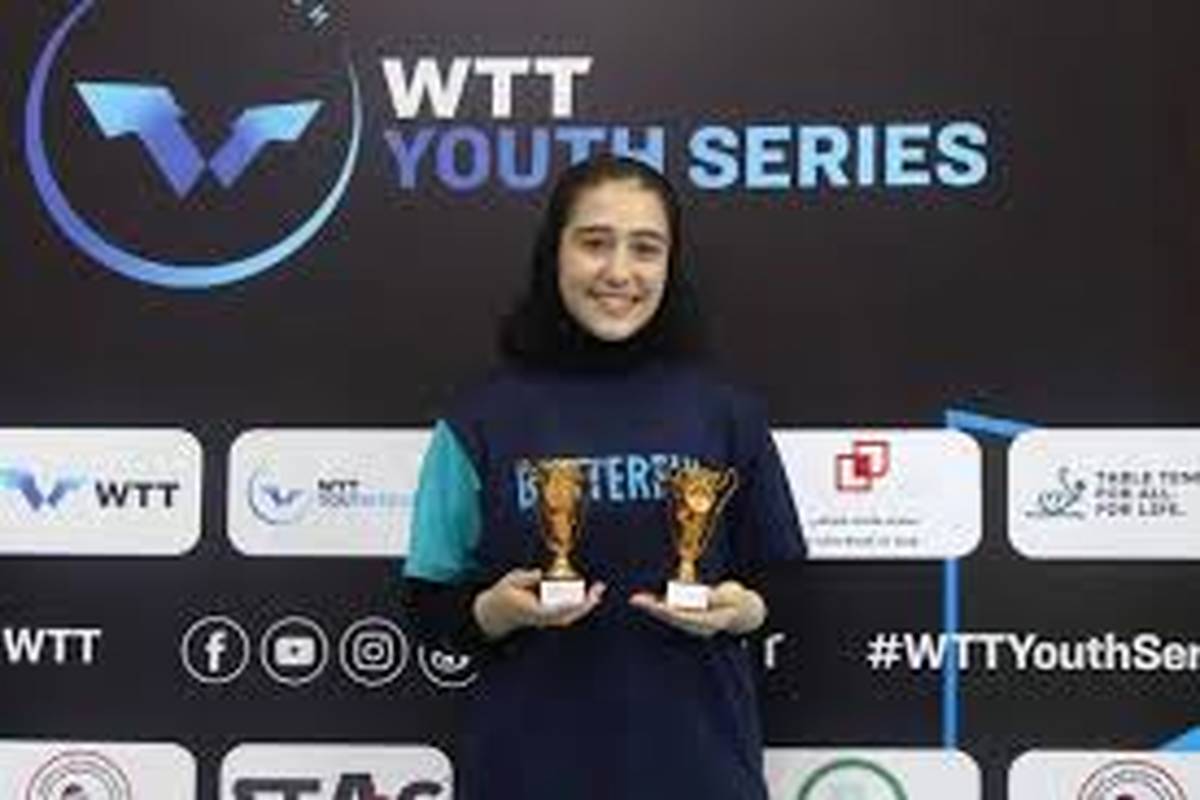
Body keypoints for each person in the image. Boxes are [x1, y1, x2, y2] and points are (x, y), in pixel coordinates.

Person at [401, 154, 805, 800]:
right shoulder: (479, 419)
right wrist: (491, 612)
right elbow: (427, 602)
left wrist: (739, 612)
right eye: (595, 243)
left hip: (699, 775)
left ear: (669, 264)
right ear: (554, 253)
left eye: (645, 248)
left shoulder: (729, 414)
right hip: (524, 777)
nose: (619, 271)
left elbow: (782, 585)